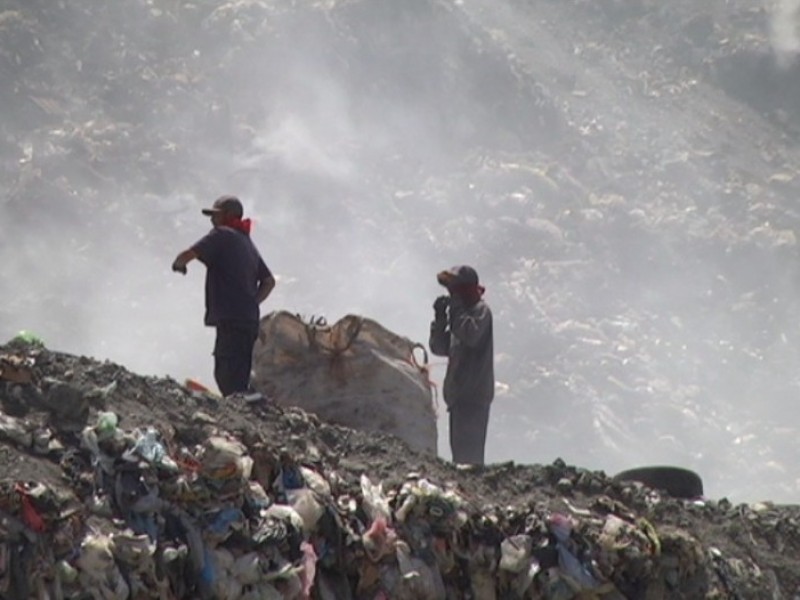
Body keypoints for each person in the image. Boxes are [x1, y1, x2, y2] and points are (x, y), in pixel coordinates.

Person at [171, 195, 275, 396]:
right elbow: (269, 282)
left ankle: (241, 419)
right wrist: (252, 303)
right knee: (238, 374)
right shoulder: (247, 242)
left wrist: (178, 265)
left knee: (227, 377)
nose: (212, 220)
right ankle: (249, 411)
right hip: (248, 320)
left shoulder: (222, 235)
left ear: (227, 215)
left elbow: (187, 255)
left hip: (231, 319)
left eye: (216, 215)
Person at [429, 265, 494, 465]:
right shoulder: (460, 317)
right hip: (459, 397)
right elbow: (440, 347)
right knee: (459, 457)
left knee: (469, 460)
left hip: (473, 396)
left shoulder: (480, 312)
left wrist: (455, 309)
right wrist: (440, 319)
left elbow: (470, 336)